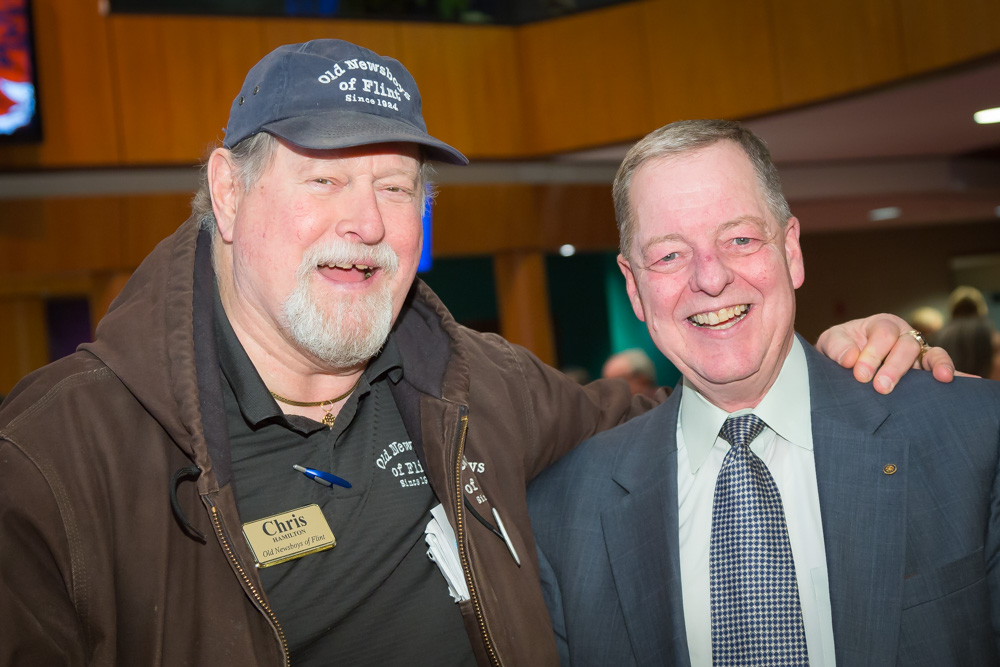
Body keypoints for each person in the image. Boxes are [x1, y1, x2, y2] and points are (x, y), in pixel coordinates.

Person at [0, 42, 951, 666]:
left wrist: (834, 366)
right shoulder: (51, 466)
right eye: (324, 179)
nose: (366, 222)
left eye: (395, 186)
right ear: (230, 191)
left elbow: (667, 431)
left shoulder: (476, 385)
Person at [528, 119, 1000, 667]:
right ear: (634, 286)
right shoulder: (564, 514)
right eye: (669, 255)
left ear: (791, 251)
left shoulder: (972, 436)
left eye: (740, 239)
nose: (711, 279)